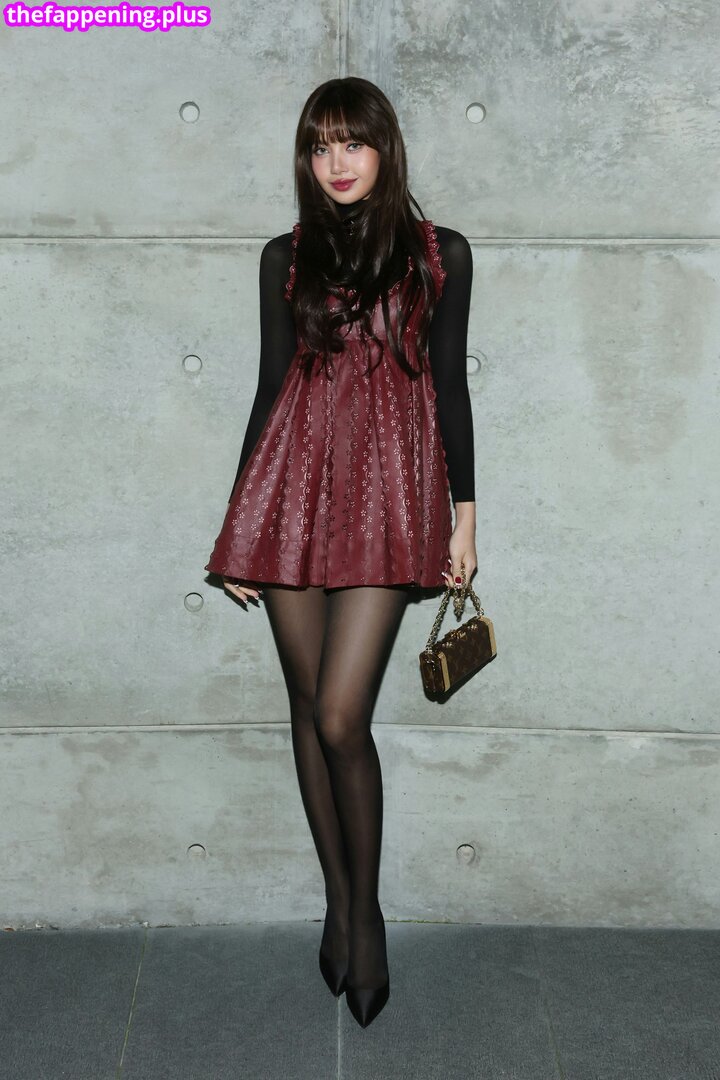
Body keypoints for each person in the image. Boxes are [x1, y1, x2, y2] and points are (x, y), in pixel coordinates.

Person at [204, 76, 476, 1028]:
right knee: (305, 707)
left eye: (351, 143)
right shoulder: (286, 257)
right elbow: (269, 387)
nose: (337, 163)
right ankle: (340, 901)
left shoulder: (440, 256)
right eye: (320, 147)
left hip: (391, 497)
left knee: (338, 713)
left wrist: (466, 517)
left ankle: (366, 916)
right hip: (292, 493)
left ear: (383, 147)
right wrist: (238, 529)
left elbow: (450, 387)